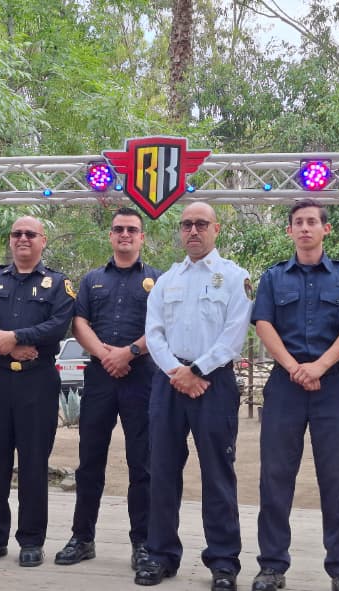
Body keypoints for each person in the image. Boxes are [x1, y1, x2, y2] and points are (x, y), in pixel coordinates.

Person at [249, 199, 339, 591]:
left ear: (325, 229)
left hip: (332, 385)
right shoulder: (273, 277)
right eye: (298, 222)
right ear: (289, 231)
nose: (305, 228)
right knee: (275, 479)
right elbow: (263, 323)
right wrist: (294, 368)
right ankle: (271, 566)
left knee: (337, 478)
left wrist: (318, 366)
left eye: (312, 222)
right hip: (284, 387)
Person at [135, 202, 252, 591]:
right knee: (162, 472)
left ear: (216, 229)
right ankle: (160, 555)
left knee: (218, 475)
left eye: (201, 224)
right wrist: (178, 372)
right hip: (170, 383)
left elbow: (235, 334)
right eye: (186, 225)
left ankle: (223, 562)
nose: (193, 231)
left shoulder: (234, 277)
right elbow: (154, 333)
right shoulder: (167, 280)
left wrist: (198, 371)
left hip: (213, 384)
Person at [55, 207, 161, 570]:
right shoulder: (91, 280)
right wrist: (105, 354)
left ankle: (143, 543)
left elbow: (163, 325)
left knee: (142, 465)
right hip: (100, 377)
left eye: (132, 229)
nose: (125, 235)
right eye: (119, 229)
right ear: (111, 236)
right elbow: (79, 322)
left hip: (142, 377)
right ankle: (82, 538)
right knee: (89, 463)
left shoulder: (158, 281)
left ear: (142, 237)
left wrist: (129, 353)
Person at [0, 216, 75, 567]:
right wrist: (7, 343)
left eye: (30, 234)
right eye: (17, 234)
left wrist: (19, 337)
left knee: (33, 463)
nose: (23, 238)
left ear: (43, 240)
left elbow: (59, 323)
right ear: (10, 241)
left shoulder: (57, 283)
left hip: (37, 382)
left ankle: (31, 540)